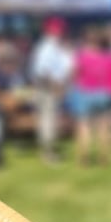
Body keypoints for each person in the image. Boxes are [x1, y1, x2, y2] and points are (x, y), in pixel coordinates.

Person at [70, 25, 111, 165]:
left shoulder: (81, 56)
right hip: (104, 93)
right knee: (104, 127)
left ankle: (84, 159)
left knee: (84, 127)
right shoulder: (110, 56)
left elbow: (74, 74)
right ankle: (104, 158)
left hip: (85, 93)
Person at [29, 16, 73, 162]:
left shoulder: (52, 46)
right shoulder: (47, 47)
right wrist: (56, 86)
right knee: (48, 120)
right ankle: (48, 153)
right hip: (48, 88)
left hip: (50, 87)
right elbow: (43, 70)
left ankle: (49, 150)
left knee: (49, 120)